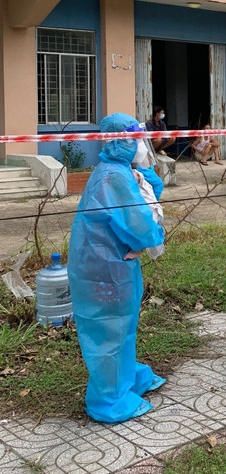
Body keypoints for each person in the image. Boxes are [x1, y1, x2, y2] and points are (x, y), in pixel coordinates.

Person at [67, 113, 166, 423]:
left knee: (123, 325)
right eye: (134, 138)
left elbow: (154, 193)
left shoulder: (120, 170)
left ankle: (126, 380)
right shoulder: (114, 176)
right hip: (104, 267)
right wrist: (153, 235)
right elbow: (141, 225)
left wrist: (145, 170)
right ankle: (108, 399)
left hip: (113, 262)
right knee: (109, 329)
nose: (140, 144)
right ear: (118, 140)